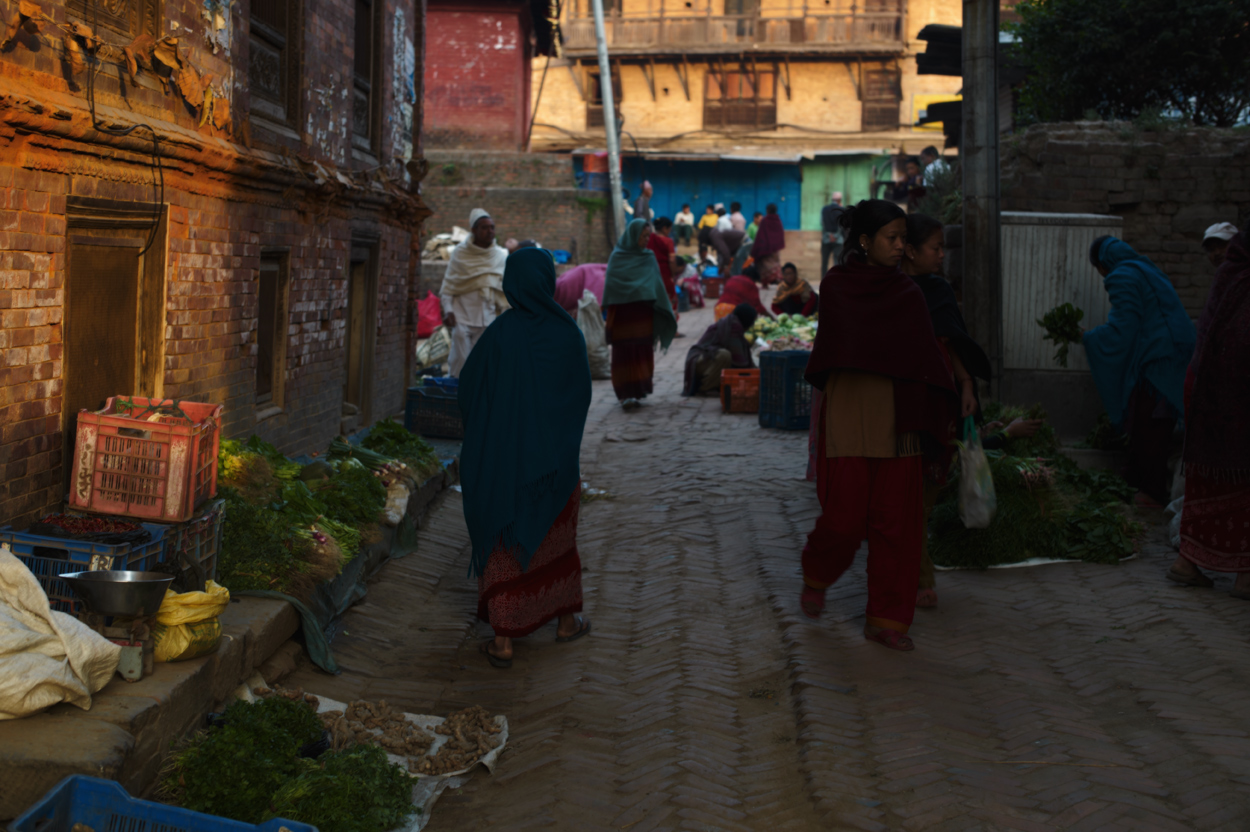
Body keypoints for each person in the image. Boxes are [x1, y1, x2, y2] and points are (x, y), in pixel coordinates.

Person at [799, 199, 958, 652]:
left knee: (897, 525)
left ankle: (886, 619)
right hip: (850, 411)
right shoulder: (837, 287)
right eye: (892, 238)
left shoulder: (908, 294)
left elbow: (924, 359)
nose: (900, 247)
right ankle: (817, 575)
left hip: (899, 419)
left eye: (904, 239)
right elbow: (835, 350)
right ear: (865, 241)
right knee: (844, 519)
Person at [457, 248, 593, 669]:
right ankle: (566, 621)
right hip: (555, 467)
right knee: (557, 542)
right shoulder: (568, 332)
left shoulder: (501, 334)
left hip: (506, 467)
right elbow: (581, 397)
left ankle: (503, 641)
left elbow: (468, 388)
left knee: (505, 542)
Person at [901, 213, 985, 609]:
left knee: (924, 495)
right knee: (905, 497)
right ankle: (918, 576)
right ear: (910, 251)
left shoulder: (939, 290)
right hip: (900, 402)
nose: (941, 256)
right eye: (935, 249)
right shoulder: (889, 288)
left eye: (942, 248)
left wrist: (967, 385)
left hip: (940, 403)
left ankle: (917, 575)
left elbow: (951, 342)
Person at [1169, 221, 1250, 596]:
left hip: (1206, 392)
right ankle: (1244, 574)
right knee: (1240, 483)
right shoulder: (1244, 280)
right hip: (1231, 397)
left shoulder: (1230, 275)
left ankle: (1188, 562)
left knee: (1205, 483)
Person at [1084, 236, 1196, 506]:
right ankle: (1133, 480)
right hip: (1179, 354)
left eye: (1097, 268)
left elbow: (1124, 328)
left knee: (1150, 425)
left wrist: (1089, 338)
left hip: (1160, 361)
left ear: (1102, 265)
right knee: (1146, 420)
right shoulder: (1146, 269)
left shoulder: (1121, 276)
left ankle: (1151, 492)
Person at [603, 219, 678, 409]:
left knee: (641, 353)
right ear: (633, 235)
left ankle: (638, 391)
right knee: (623, 354)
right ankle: (624, 395)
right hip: (622, 314)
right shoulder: (617, 257)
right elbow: (611, 285)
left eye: (648, 236)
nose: (646, 240)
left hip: (642, 314)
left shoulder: (648, 257)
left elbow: (655, 285)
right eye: (643, 236)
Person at [441, 209, 509, 377]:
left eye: (492, 227)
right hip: (462, 318)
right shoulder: (460, 253)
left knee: (484, 363)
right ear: (473, 230)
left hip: (489, 319)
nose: (490, 231)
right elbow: (449, 285)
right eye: (485, 227)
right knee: (461, 361)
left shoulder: (500, 256)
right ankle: (455, 397)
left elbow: (504, 289)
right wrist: (448, 310)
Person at [682, 303, 757, 396]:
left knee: (726, 357)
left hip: (706, 360)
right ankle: (706, 388)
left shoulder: (732, 323)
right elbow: (740, 362)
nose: (752, 325)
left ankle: (713, 383)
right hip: (698, 362)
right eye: (752, 322)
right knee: (724, 355)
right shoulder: (734, 326)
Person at [647, 216, 680, 313]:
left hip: (651, 273)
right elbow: (672, 260)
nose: (670, 232)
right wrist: (673, 275)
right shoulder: (668, 241)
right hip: (664, 274)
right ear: (665, 228)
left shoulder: (649, 239)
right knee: (668, 299)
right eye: (669, 229)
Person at [751, 204, 786, 284]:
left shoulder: (765, 220)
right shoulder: (778, 220)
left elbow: (760, 235)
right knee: (775, 264)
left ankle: (765, 283)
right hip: (775, 249)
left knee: (763, 266)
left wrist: (757, 248)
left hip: (765, 249)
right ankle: (777, 279)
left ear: (767, 210)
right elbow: (780, 233)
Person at [820, 192, 845, 277]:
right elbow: (842, 225)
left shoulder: (824, 209)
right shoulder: (841, 209)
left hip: (826, 239)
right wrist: (836, 236)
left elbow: (822, 223)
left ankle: (823, 280)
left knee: (824, 262)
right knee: (837, 262)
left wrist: (828, 235)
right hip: (838, 240)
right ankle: (836, 280)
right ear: (839, 200)